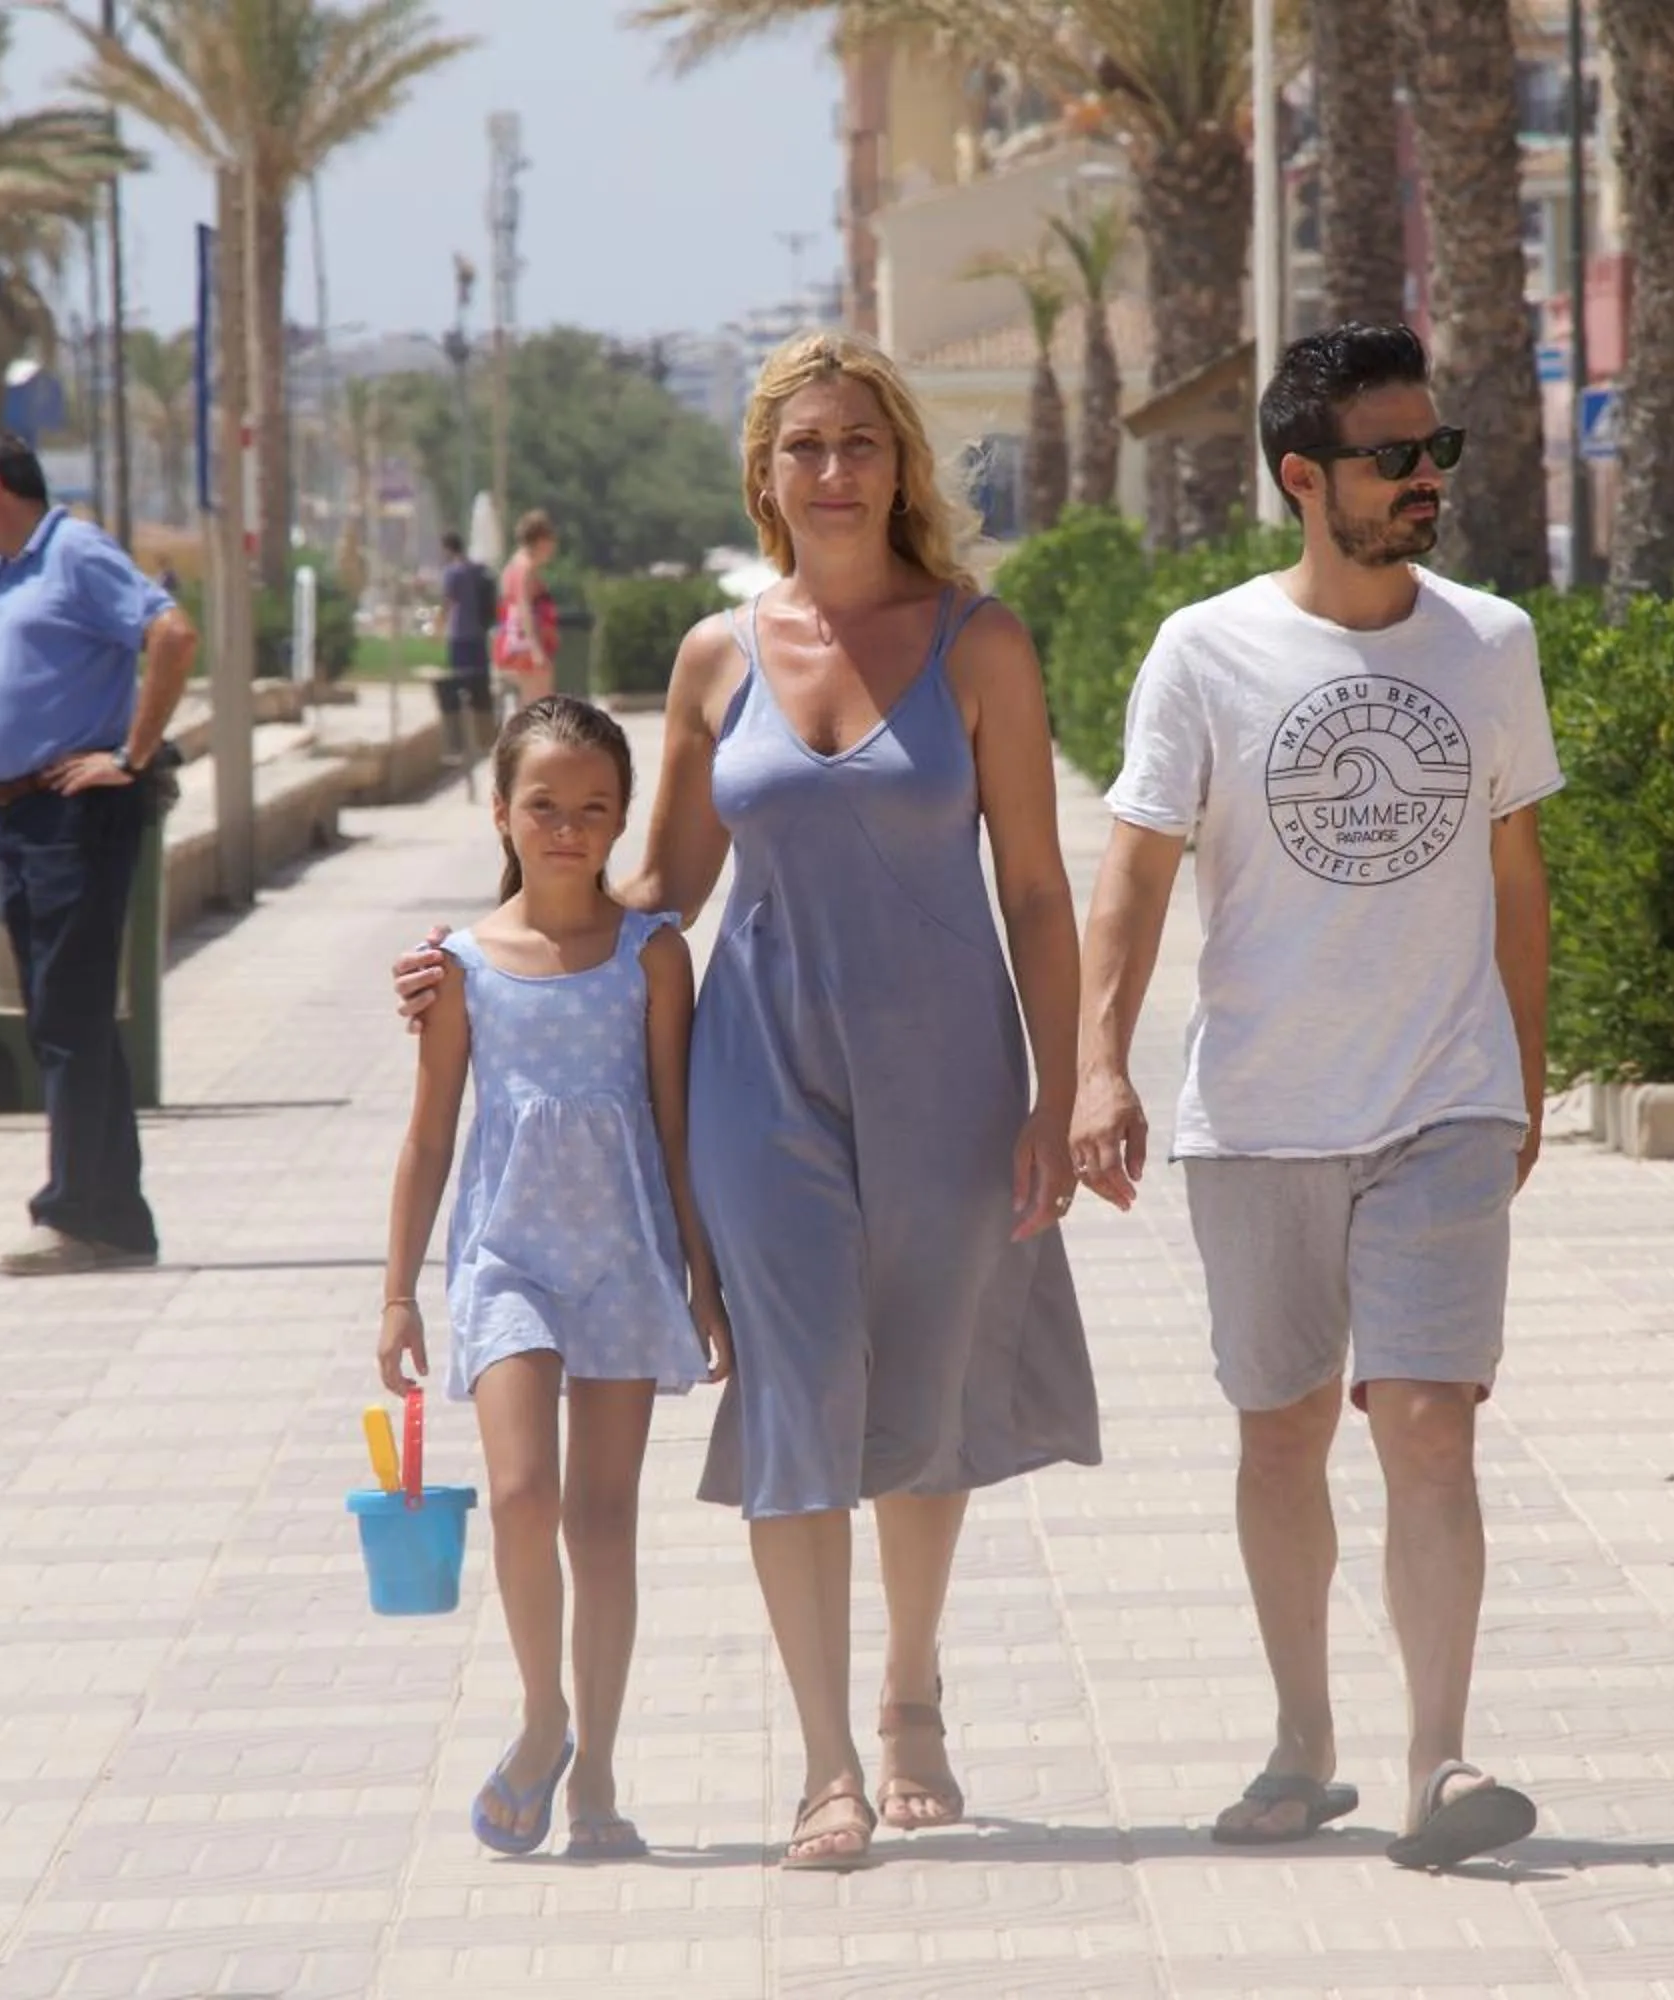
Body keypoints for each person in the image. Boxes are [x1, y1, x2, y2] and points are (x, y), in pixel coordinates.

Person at [398, 330, 1099, 1871]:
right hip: (758, 1074)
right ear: (765, 474)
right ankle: (826, 1765)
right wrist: (489, 956)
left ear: (899, 464)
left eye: (859, 442)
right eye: (804, 446)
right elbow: (658, 883)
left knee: (923, 1384)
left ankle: (909, 1692)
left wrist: (1070, 1084)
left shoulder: (981, 642)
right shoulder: (717, 657)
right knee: (794, 1386)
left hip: (950, 1072)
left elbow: (1041, 891)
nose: (833, 470)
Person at [1071, 324, 1559, 1872]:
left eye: (1437, 452)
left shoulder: (1490, 643)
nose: (1427, 480)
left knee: (1428, 1428)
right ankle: (1303, 1746)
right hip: (1260, 1112)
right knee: (1281, 1435)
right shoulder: (1203, 651)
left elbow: (1518, 875)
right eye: (1393, 457)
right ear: (1303, 477)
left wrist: (1525, 1074)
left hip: (1443, 1102)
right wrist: (1098, 1062)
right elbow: (1133, 874)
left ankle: (1439, 1763)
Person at [377, 695, 731, 1861]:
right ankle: (543, 1717)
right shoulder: (461, 967)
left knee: (605, 1516)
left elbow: (679, 1125)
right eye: (544, 805)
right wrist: (397, 1291)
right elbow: (429, 1133)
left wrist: (704, 1276)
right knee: (525, 1494)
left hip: (626, 1255)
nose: (568, 827)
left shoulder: (653, 955)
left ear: (624, 819)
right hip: (507, 1258)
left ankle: (601, 1774)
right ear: (500, 811)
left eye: (593, 807)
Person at [0, 427, 198, 1277]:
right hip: (15, 819)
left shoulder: (75, 552)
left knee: (69, 1017)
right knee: (65, 1019)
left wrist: (131, 757)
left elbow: (173, 635)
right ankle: (116, 1218)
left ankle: (74, 1211)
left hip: (76, 816)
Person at [436, 530, 501, 780]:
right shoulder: (476, 569)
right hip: (478, 634)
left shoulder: (452, 572)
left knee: (458, 686)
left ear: (447, 548)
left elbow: (448, 602)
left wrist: (438, 627)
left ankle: (460, 743)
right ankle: (486, 736)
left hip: (460, 635)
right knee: (480, 686)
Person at [490, 511, 559, 720]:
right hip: (525, 644)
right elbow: (524, 609)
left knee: (530, 705)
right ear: (541, 540)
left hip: (514, 642)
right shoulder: (525, 568)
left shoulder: (512, 566)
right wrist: (536, 650)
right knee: (539, 707)